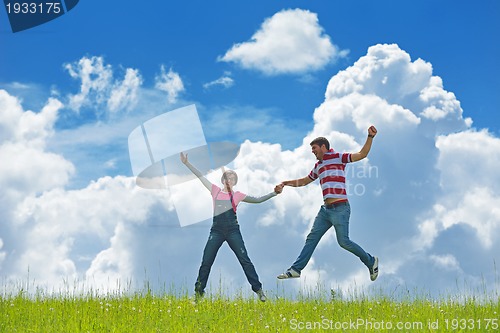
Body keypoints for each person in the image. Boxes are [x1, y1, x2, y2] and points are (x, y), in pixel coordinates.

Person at [277, 126, 379, 281]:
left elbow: (362, 154)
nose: (313, 151)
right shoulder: (319, 166)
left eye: (314, 148)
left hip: (340, 208)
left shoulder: (338, 157)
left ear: (324, 147)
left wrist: (370, 137)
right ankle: (296, 269)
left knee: (343, 242)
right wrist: (285, 183)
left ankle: (371, 261)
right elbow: (305, 181)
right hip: (325, 211)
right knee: (312, 238)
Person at [180, 152, 284, 302]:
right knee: (206, 262)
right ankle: (198, 295)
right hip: (216, 231)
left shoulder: (238, 195)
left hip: (233, 231)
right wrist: (186, 163)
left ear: (234, 182)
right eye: (228, 178)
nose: (230, 180)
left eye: (232, 179)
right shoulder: (214, 190)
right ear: (223, 180)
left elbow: (258, 200)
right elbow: (200, 176)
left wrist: (274, 193)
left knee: (245, 260)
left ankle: (259, 290)